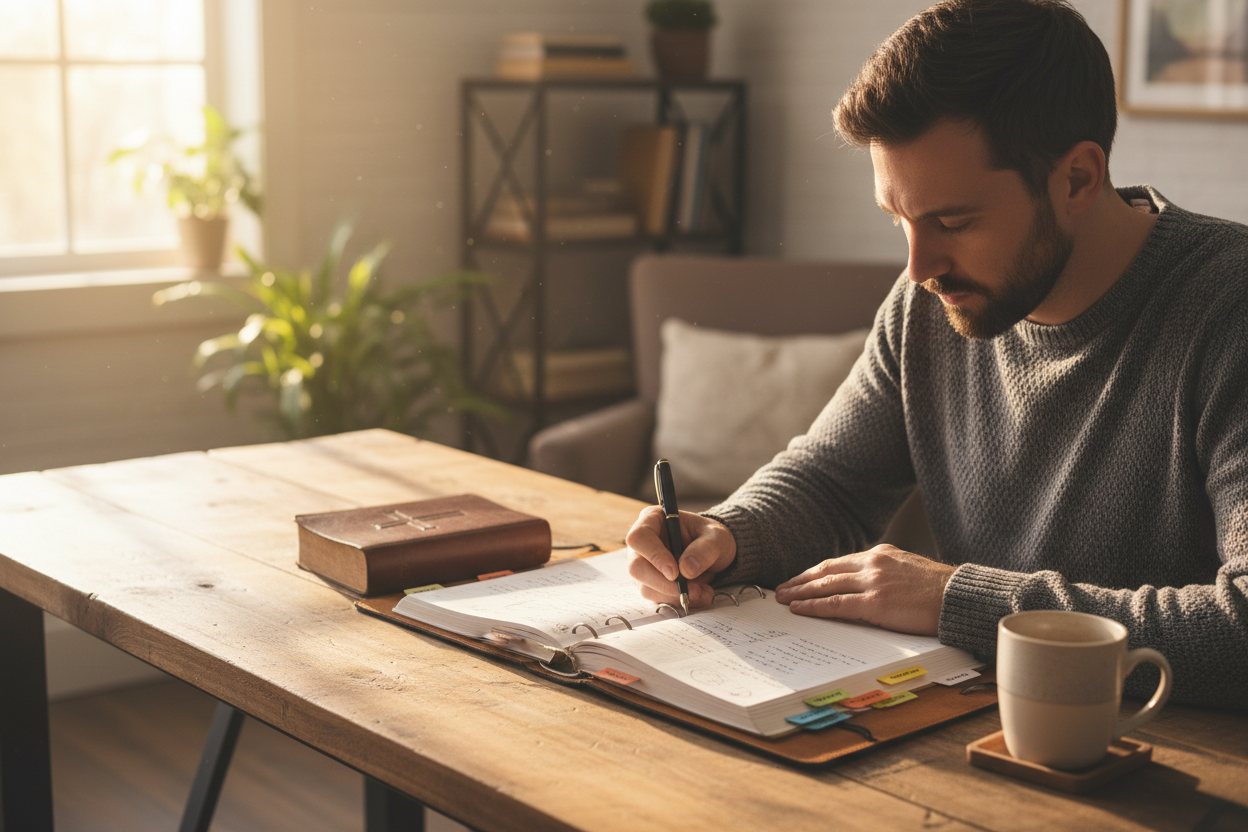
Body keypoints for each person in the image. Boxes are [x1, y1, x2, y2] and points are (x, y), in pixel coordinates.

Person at [626, 0, 1248, 707]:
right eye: (899, 220)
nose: (919, 266)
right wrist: (725, 534)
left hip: (1175, 763)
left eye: (952, 221)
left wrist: (960, 598)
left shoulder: (1229, 310)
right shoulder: (930, 302)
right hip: (978, 731)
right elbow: (833, 480)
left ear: (1077, 178)